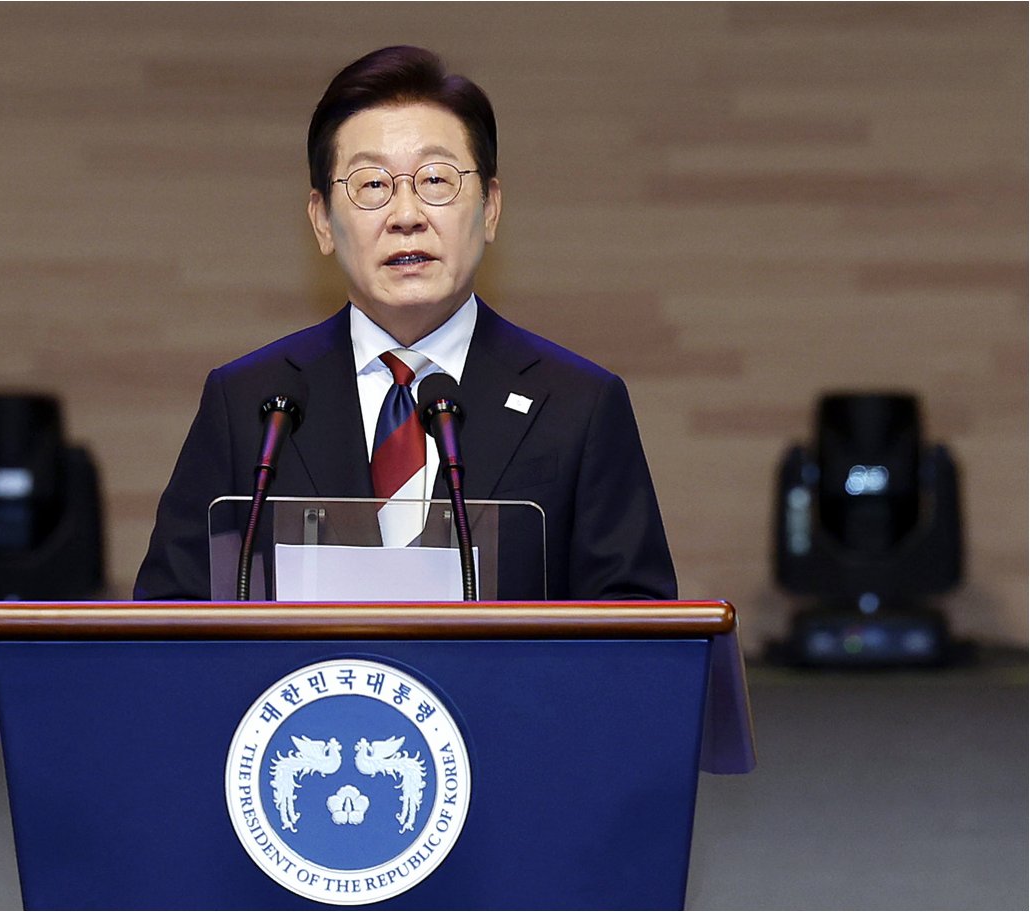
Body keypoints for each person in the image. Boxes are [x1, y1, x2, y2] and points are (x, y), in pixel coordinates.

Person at [134, 46, 676, 601]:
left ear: (490, 208)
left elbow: (638, 626)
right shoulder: (248, 403)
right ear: (322, 222)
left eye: (436, 179)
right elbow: (168, 615)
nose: (407, 216)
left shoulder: (579, 405)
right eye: (372, 185)